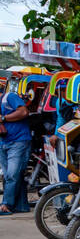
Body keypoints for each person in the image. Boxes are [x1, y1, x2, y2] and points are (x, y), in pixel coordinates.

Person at [0, 84, 34, 214]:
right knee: (12, 175)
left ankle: (6, 205)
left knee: (12, 175)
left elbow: (24, 112)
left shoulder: (9, 97)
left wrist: (4, 118)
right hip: (4, 141)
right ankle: (21, 205)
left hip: (18, 141)